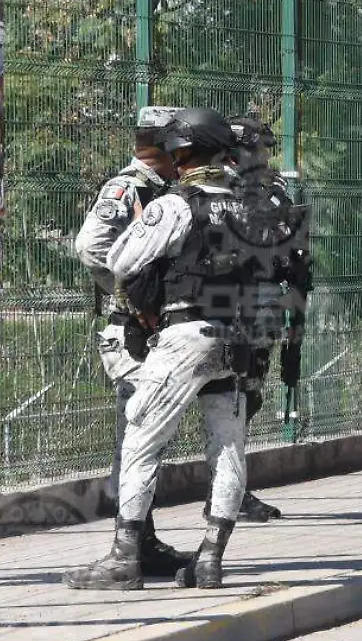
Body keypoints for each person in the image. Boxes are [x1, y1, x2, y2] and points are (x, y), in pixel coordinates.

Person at [65, 107, 252, 591]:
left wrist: (141, 294)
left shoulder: (176, 203)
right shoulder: (252, 205)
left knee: (141, 438)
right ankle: (210, 559)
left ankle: (125, 556)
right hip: (237, 338)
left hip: (183, 334)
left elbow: (120, 258)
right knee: (227, 448)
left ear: (183, 150)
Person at [73, 106, 189, 578]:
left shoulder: (161, 190)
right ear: (166, 145)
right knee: (135, 434)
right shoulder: (129, 187)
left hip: (154, 328)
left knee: (149, 435)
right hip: (131, 332)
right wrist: (129, 291)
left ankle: (143, 538)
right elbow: (89, 246)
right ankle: (129, 546)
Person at [222, 113, 311, 524]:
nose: (265, 154)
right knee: (232, 401)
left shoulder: (273, 190)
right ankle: (227, 491)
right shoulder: (221, 188)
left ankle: (231, 489)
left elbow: (293, 247)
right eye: (258, 146)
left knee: (249, 398)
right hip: (231, 307)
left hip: (267, 303)